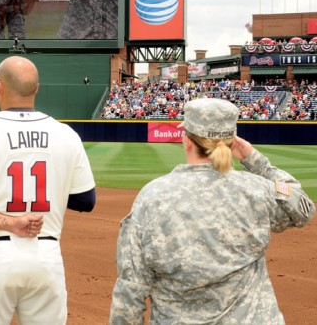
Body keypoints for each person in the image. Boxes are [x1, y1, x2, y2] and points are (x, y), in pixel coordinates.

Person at [109, 98, 316, 324]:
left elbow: (130, 293)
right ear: (232, 141)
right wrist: (256, 161)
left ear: (186, 140)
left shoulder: (151, 197)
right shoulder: (257, 190)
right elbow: (303, 207)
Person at [0, 56, 96, 324]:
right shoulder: (66, 135)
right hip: (46, 256)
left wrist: (11, 222)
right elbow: (85, 199)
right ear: (36, 89)